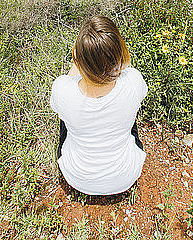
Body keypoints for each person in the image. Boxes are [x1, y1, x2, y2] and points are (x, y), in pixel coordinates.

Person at [50, 15, 148, 196]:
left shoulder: (61, 89)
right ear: (119, 53)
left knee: (64, 116)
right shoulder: (134, 81)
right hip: (126, 174)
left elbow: (71, 81)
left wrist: (79, 60)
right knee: (130, 110)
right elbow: (125, 67)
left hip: (77, 176)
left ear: (77, 59)